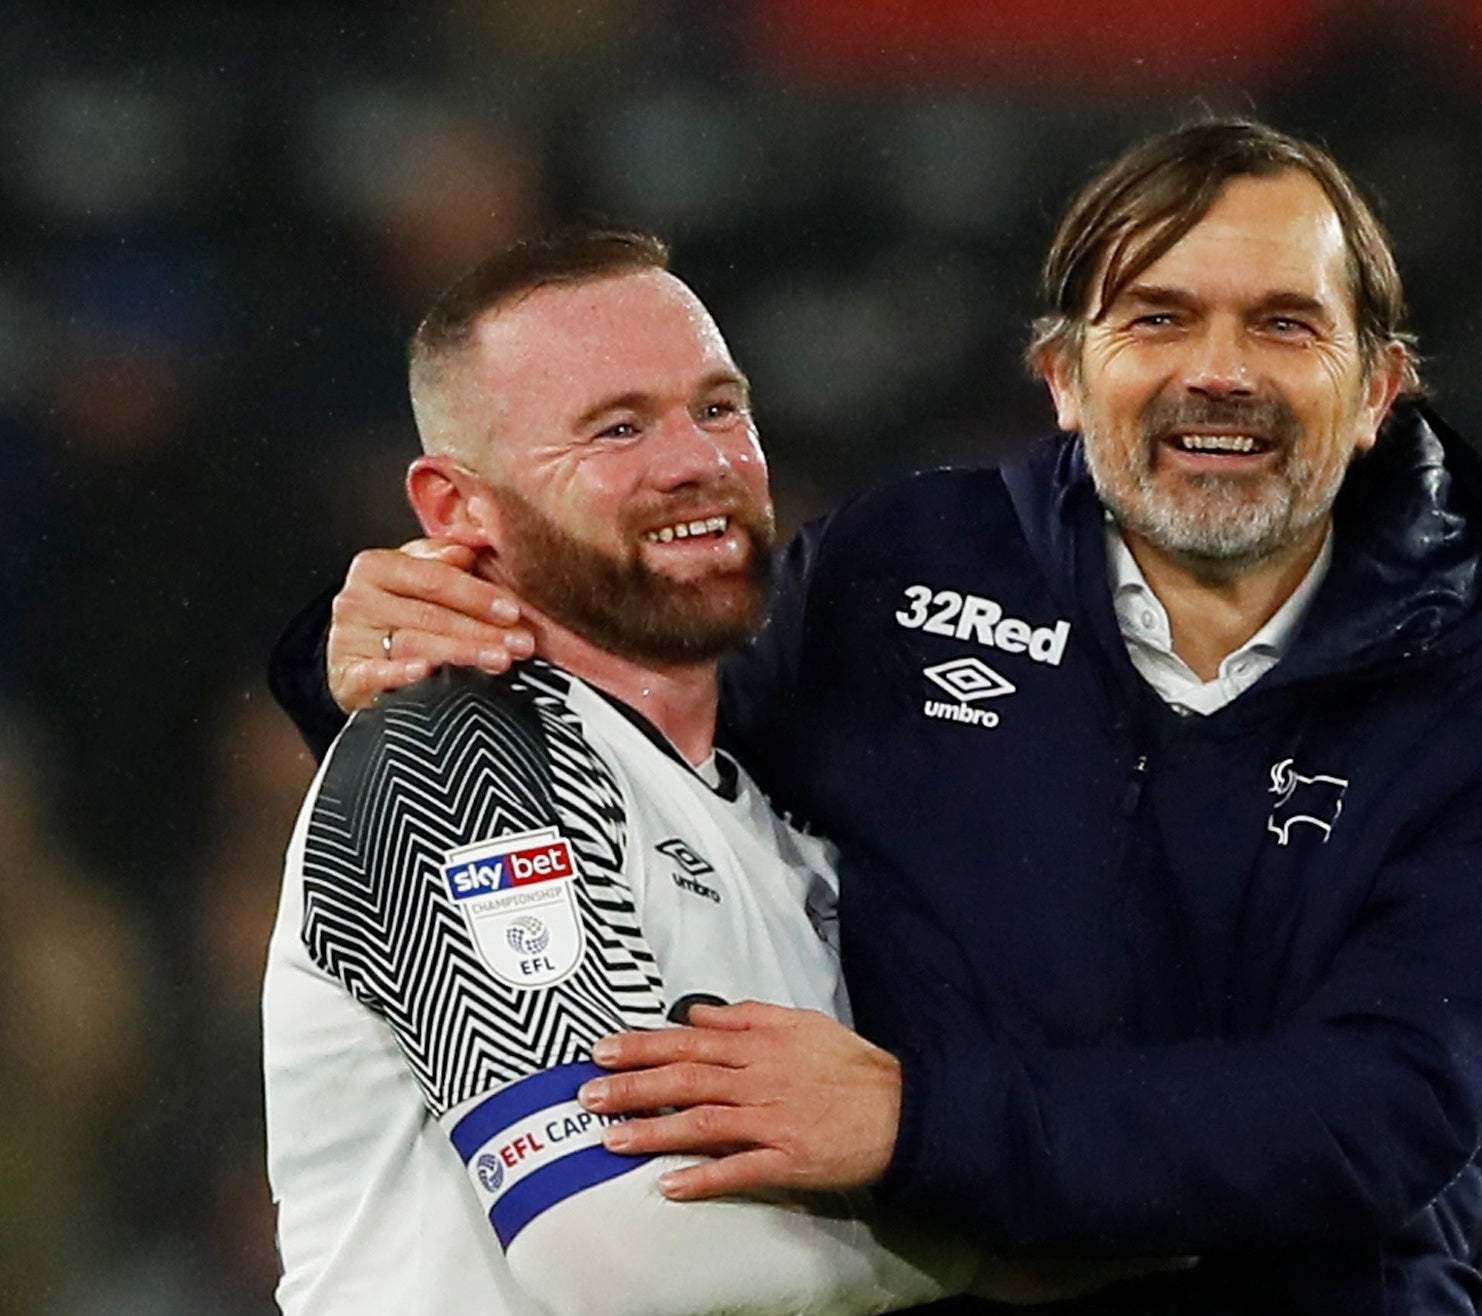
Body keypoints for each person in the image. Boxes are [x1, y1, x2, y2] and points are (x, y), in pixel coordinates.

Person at [272, 119, 1482, 1314]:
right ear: (1060, 378)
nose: (1214, 373)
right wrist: (367, 650)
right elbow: (631, 713)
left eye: (1282, 323)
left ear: (1375, 392)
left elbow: (1381, 1115)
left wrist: (918, 1131)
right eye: (1156, 318)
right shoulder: (901, 572)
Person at [264, 227, 1018, 1314]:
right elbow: (616, 1248)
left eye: (717, 407)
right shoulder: (452, 757)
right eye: (616, 428)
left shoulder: (780, 807)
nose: (696, 460)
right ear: (454, 509)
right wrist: (1002, 1247)